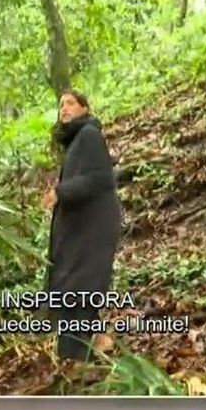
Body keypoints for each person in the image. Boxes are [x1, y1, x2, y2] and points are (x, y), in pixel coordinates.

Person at [43, 89, 122, 363]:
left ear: (84, 109)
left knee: (79, 287)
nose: (63, 108)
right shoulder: (77, 140)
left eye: (70, 103)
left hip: (93, 230)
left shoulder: (89, 135)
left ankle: (75, 358)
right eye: (61, 105)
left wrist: (61, 192)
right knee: (74, 287)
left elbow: (101, 178)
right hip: (81, 231)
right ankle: (97, 342)